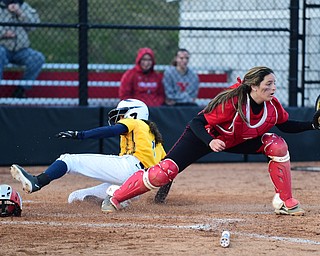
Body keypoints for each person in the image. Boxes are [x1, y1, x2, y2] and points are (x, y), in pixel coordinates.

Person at [102, 66, 320, 216]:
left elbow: (285, 124)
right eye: (269, 83)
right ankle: (115, 198)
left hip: (236, 140)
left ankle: (285, 202)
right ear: (254, 86)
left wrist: (312, 125)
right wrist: (210, 142)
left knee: (277, 144)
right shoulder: (233, 102)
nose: (274, 88)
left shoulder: (272, 106)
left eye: (274, 84)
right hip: (203, 137)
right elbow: (197, 122)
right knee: (164, 172)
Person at [10, 99, 166, 209]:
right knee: (75, 198)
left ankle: (37, 181)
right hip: (139, 184)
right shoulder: (156, 141)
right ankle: (117, 199)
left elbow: (113, 130)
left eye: (122, 114)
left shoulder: (136, 122)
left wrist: (81, 134)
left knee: (69, 160)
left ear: (133, 114)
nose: (119, 118)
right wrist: (159, 199)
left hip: (129, 167)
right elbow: (168, 174)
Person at [0, 0, 45, 98]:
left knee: (38, 58)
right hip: (2, 47)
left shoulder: (24, 6)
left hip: (21, 50)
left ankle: (21, 89)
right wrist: (3, 34)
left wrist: (19, 12)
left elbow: (33, 26)